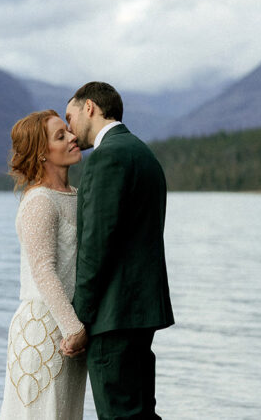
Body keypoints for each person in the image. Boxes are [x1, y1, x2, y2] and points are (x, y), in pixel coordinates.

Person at [61, 82, 174, 419]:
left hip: (114, 317)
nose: (69, 128)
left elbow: (96, 246)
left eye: (70, 116)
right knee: (140, 414)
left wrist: (78, 319)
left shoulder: (106, 158)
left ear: (90, 108)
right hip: (142, 313)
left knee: (119, 415)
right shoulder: (143, 153)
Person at [0, 109, 88, 419]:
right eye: (60, 136)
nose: (73, 137)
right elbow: (44, 271)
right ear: (41, 153)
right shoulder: (39, 201)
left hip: (68, 330)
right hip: (45, 329)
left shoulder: (76, 195)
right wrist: (74, 329)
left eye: (68, 131)